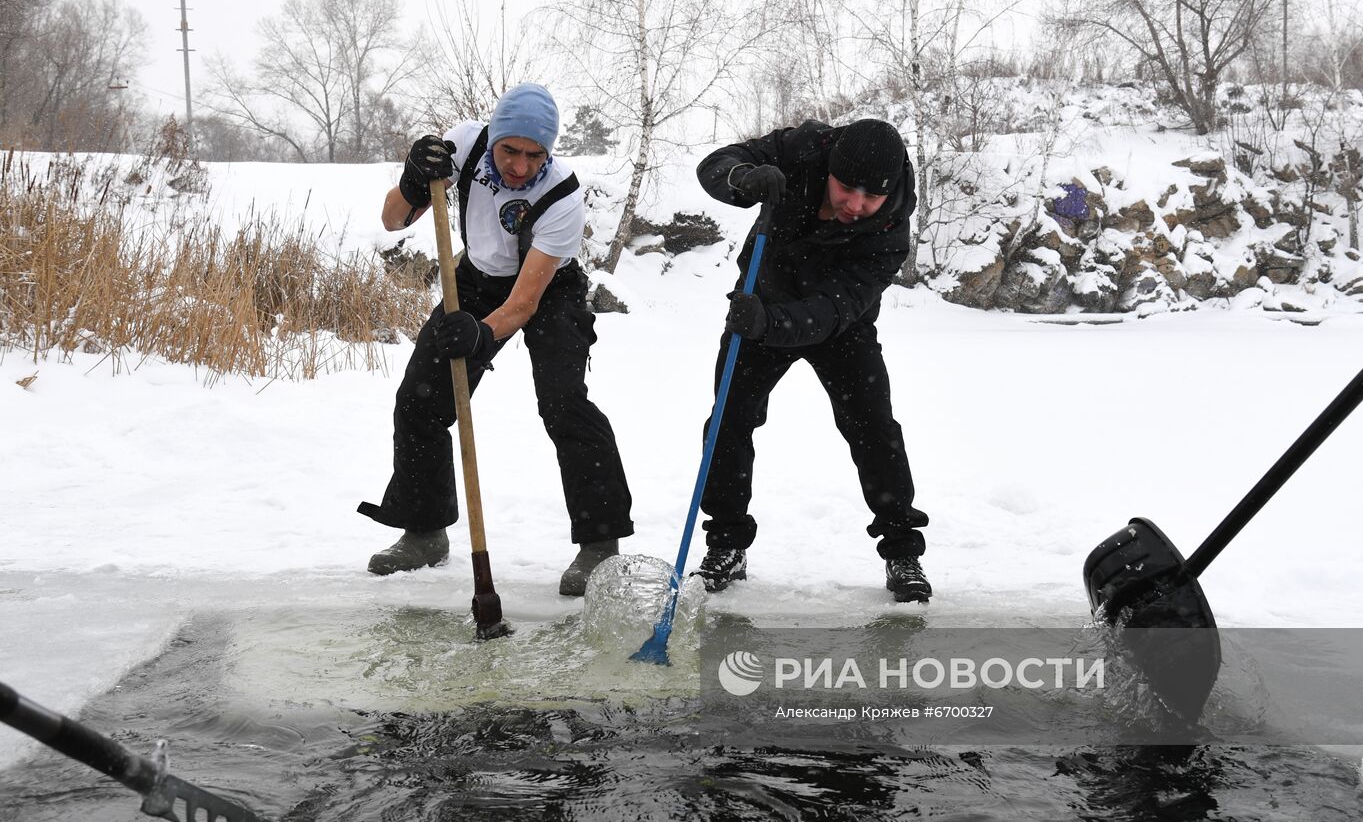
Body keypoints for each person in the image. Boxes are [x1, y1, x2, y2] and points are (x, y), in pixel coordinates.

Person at [358, 83, 633, 596]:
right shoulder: (462, 145)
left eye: (535, 155)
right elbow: (392, 220)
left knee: (564, 403)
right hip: (477, 278)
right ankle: (424, 532)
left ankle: (600, 545)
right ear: (493, 141)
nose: (522, 166)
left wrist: (480, 334)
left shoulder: (562, 196)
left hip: (549, 289)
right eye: (510, 151)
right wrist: (415, 178)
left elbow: (525, 303)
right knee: (420, 399)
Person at [691, 118, 932, 603]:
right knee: (728, 422)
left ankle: (902, 549)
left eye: (871, 197)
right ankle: (726, 544)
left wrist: (770, 324)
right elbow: (714, 166)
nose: (856, 205)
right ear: (830, 169)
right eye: (846, 189)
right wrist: (742, 178)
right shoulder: (805, 148)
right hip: (761, 298)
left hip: (840, 324)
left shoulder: (890, 232)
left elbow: (834, 308)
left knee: (873, 427)